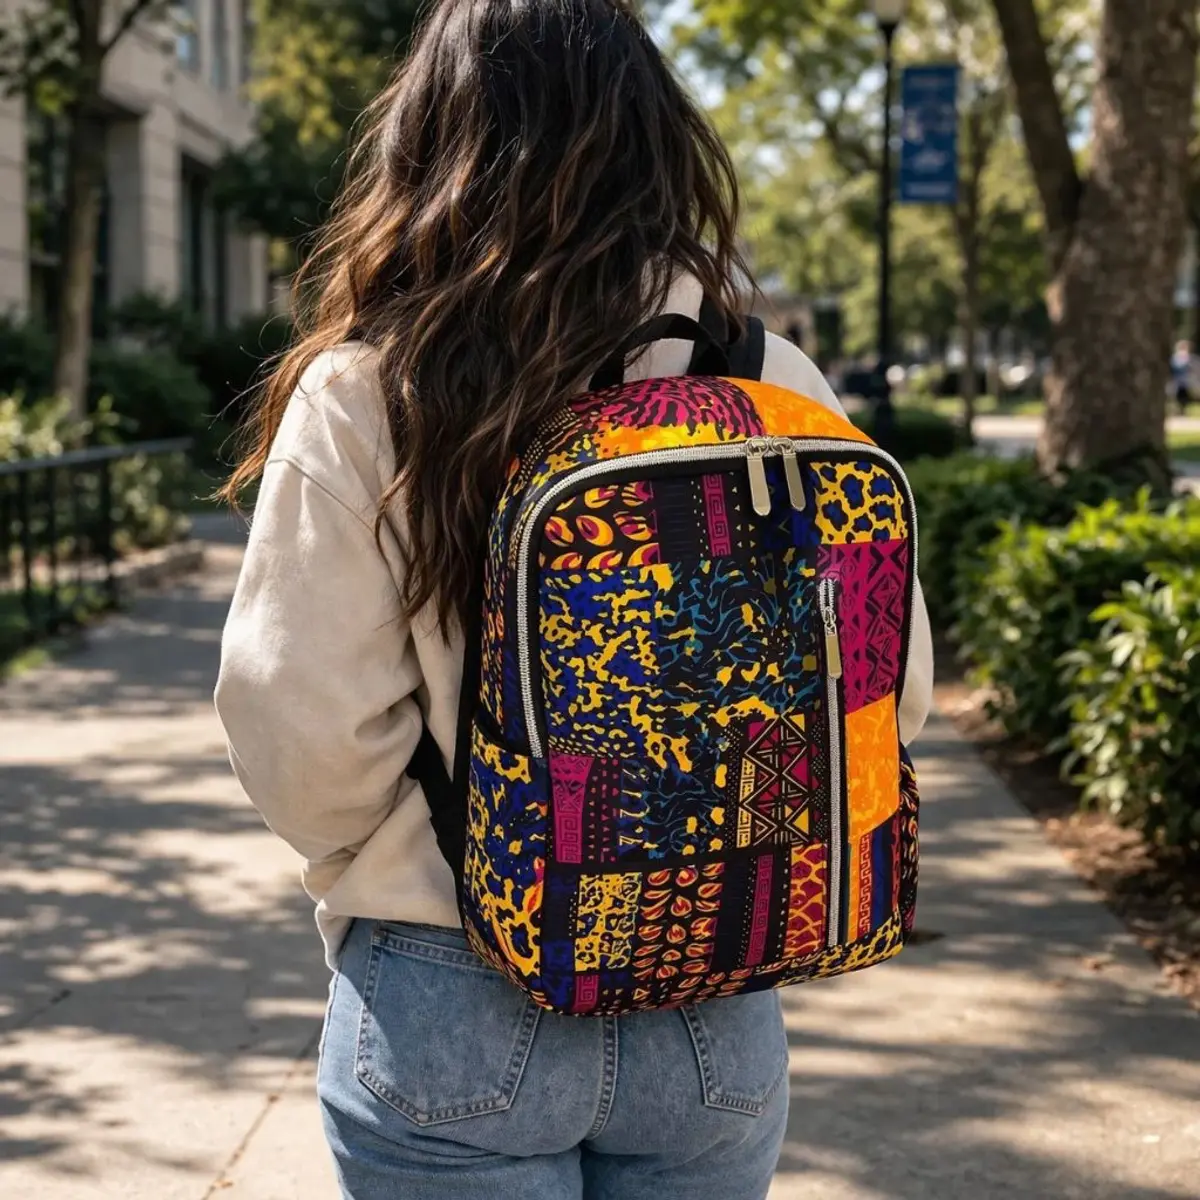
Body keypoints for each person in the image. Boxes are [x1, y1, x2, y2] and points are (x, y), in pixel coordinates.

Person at [215, 3, 934, 1197]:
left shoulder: (370, 391)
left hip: (450, 982)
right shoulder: (773, 385)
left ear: (429, 141)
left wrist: (401, 872)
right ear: (657, 141)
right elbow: (881, 693)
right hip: (717, 975)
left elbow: (299, 727)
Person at [1171, 339, 1197, 413]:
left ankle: (1182, 409)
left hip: (1185, 381)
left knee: (1184, 396)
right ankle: (1181, 409)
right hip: (1179, 381)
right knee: (1180, 396)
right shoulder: (1178, 357)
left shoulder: (1188, 357)